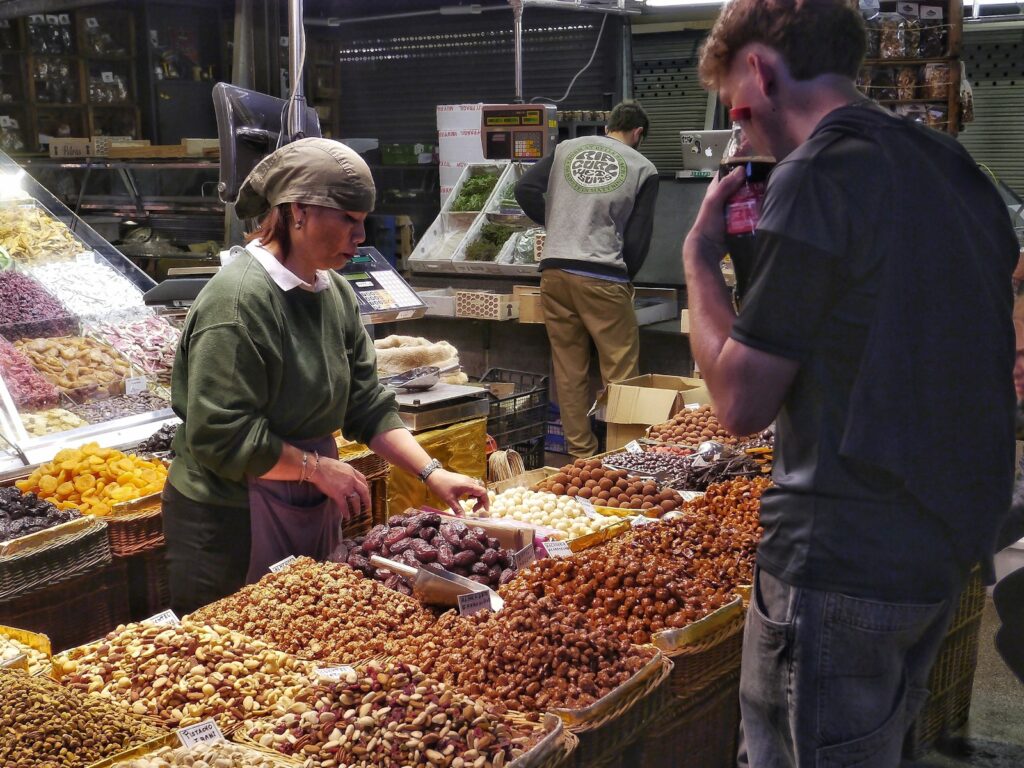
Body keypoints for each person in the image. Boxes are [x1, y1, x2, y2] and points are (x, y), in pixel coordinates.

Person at [683, 1, 1018, 766]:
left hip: (839, 559)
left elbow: (739, 401)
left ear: (761, 72)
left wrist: (701, 259)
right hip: (936, 546)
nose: (742, 137)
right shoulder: (953, 165)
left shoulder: (821, 170)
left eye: (736, 112)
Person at [163, 137, 488, 615]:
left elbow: (366, 403)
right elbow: (221, 434)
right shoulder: (237, 302)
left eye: (362, 221)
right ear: (298, 211)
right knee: (237, 654)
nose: (360, 237)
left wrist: (432, 473)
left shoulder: (332, 291)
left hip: (304, 500)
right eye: (348, 220)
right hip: (228, 519)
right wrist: (316, 468)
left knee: (307, 636)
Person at [515, 100, 659, 458]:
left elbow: (524, 190)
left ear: (609, 124)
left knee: (569, 368)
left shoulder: (566, 148)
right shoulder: (642, 166)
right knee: (621, 372)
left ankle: (581, 457)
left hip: (554, 272)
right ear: (638, 133)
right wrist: (627, 276)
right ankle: (623, 457)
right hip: (603, 275)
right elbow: (640, 237)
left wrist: (556, 224)